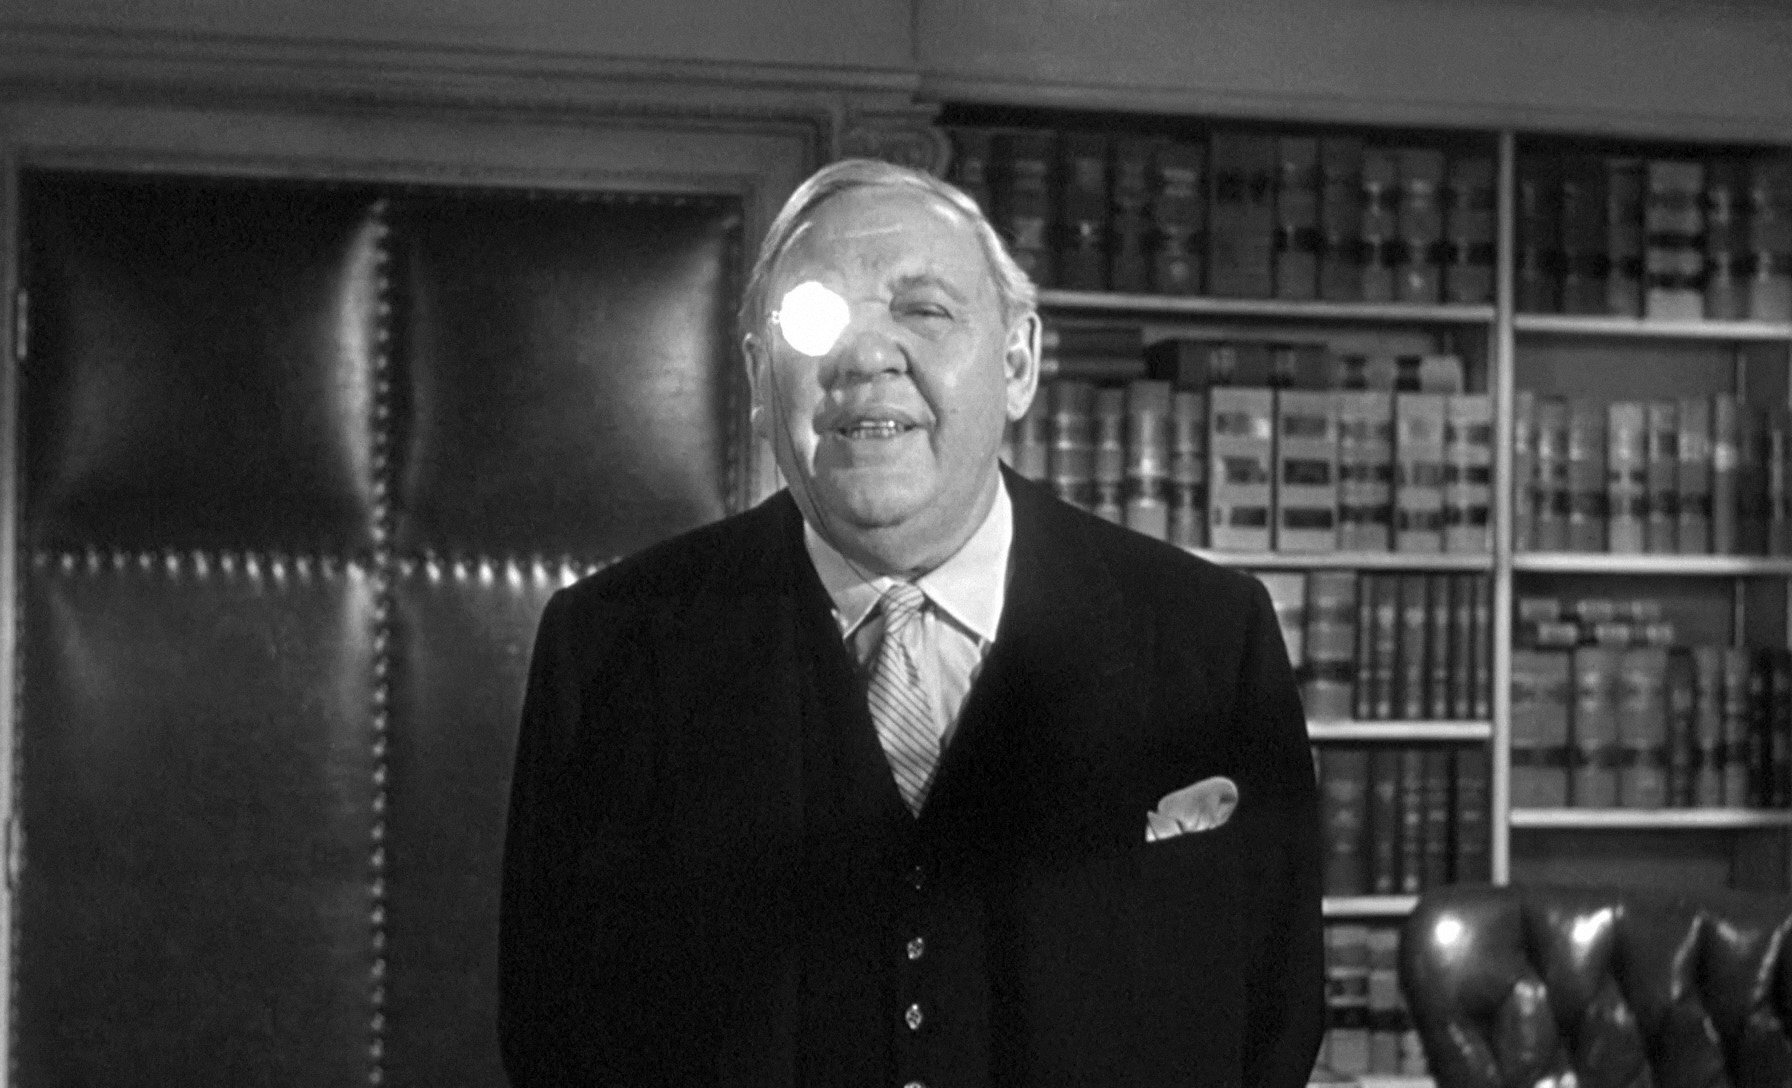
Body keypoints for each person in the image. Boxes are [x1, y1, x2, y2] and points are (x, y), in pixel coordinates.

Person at [498, 158, 1324, 1088]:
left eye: (924, 311)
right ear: (761, 381)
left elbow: (1276, 1018)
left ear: (1017, 363)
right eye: (814, 319)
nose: (865, 357)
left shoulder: (1210, 639)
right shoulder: (608, 648)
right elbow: (552, 1036)